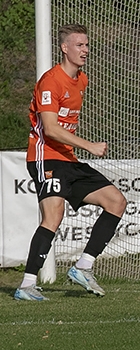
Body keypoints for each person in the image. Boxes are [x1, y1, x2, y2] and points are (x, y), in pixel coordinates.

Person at [14, 24, 127, 301]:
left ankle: (83, 266)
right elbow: (50, 129)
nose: (85, 50)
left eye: (87, 45)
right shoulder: (51, 81)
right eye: (79, 45)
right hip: (45, 156)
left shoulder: (82, 80)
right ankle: (27, 284)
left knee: (116, 202)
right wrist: (90, 145)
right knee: (53, 216)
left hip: (68, 158)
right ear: (65, 48)